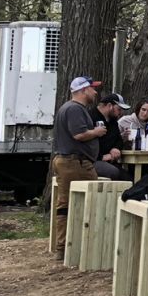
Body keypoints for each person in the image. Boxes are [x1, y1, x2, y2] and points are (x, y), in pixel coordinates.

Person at [50, 76, 108, 260]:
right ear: (83, 91)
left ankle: (66, 245)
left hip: (70, 162)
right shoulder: (75, 109)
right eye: (92, 89)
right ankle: (75, 246)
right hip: (75, 163)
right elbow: (79, 134)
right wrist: (97, 132)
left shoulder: (68, 108)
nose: (95, 92)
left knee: (66, 203)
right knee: (90, 200)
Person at [91, 92, 129, 179]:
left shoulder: (113, 121)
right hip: (93, 161)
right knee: (115, 173)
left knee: (129, 178)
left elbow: (118, 139)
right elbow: (87, 143)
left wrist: (116, 148)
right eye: (119, 109)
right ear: (109, 106)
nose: (121, 112)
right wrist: (101, 157)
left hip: (110, 160)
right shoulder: (90, 117)